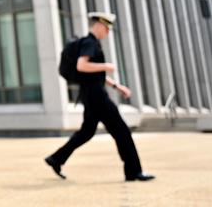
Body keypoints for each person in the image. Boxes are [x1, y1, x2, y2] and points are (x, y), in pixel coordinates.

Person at [45, 12, 155, 182]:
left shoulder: (91, 43)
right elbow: (82, 66)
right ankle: (134, 171)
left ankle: (56, 159)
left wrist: (117, 87)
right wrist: (106, 65)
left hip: (90, 94)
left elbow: (96, 75)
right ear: (99, 25)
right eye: (107, 27)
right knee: (122, 131)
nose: (108, 32)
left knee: (86, 132)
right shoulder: (90, 43)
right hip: (96, 96)